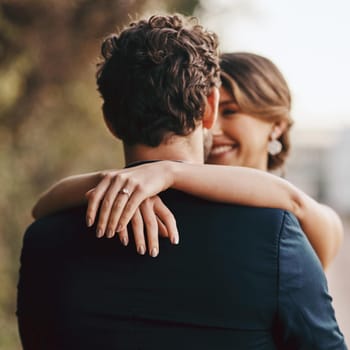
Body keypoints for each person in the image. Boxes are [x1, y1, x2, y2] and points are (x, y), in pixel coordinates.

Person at [17, 14, 346, 350]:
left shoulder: (44, 239)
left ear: (109, 120)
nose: (218, 134)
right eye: (224, 111)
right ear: (210, 109)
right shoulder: (274, 234)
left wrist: (167, 172)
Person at [32, 53, 343, 270]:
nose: (213, 127)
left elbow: (299, 206)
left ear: (276, 124)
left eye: (231, 112)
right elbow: (42, 207)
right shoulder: (168, 195)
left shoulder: (299, 212)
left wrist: (170, 171)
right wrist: (123, 183)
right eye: (212, 110)